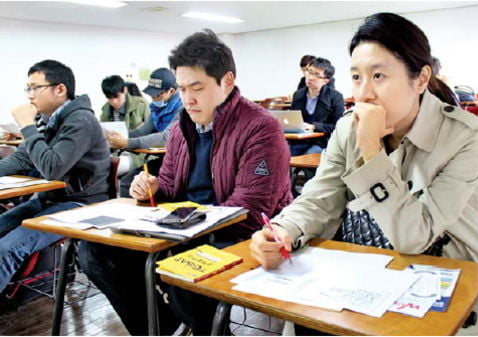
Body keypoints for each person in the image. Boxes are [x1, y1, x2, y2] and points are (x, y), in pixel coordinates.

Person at [250, 13, 478, 335]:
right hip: (360, 269)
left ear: (420, 79)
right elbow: (320, 197)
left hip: (445, 270)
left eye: (378, 76)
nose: (364, 93)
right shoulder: (346, 128)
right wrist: (285, 228)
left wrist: (371, 152)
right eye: (356, 77)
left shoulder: (463, 136)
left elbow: (416, 237)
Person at [77, 29, 293, 335]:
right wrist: (152, 188)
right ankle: (162, 328)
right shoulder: (181, 129)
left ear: (227, 82)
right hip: (186, 230)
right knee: (95, 252)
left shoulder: (261, 129)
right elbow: (167, 183)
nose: (187, 99)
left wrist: (183, 227)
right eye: (181, 88)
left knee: (184, 273)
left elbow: (251, 210)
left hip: (241, 235)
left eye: (198, 88)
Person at [0, 60, 110, 293]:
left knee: (6, 248)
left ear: (60, 89)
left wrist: (27, 126)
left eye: (34, 88)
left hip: (80, 204)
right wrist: (32, 127)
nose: (29, 96)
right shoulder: (48, 119)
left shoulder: (80, 120)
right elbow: (22, 159)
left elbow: (52, 168)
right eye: (27, 89)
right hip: (51, 199)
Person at [106, 67, 183, 176]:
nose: (153, 99)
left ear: (171, 91)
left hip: (180, 162)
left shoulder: (183, 108)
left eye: (157, 95)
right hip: (163, 159)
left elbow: (166, 138)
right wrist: (118, 136)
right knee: (128, 182)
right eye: (151, 95)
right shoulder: (157, 108)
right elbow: (141, 132)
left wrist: (126, 142)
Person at [290, 57, 345, 156]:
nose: (311, 77)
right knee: (282, 154)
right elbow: (293, 120)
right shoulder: (298, 95)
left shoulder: (335, 97)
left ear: (326, 81)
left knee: (309, 156)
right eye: (310, 72)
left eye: (317, 75)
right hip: (300, 141)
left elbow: (337, 126)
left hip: (321, 142)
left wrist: (314, 126)